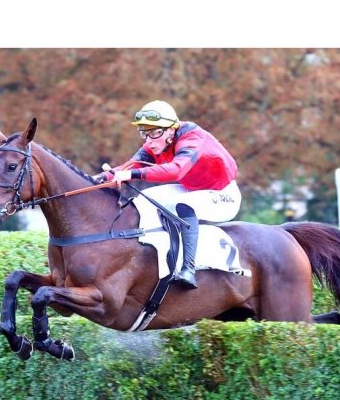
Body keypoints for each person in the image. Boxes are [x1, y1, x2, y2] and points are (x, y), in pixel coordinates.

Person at [99, 100, 241, 288]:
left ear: (171, 130)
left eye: (155, 133)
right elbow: (127, 167)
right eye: (145, 133)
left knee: (185, 205)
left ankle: (188, 269)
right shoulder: (154, 144)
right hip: (193, 189)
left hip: (223, 194)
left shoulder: (192, 139)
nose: (149, 140)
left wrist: (131, 174)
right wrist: (97, 179)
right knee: (144, 200)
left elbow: (176, 170)